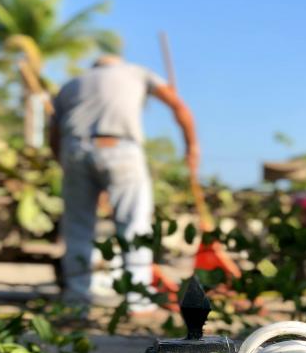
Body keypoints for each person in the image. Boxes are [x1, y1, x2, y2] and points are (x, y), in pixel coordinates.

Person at [50, 53, 199, 310]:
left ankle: (76, 299)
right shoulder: (137, 72)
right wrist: (191, 146)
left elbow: (52, 133)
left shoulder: (71, 85)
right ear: (118, 63)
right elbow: (179, 106)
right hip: (120, 148)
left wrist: (67, 164)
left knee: (78, 226)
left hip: (73, 149)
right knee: (134, 223)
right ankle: (139, 301)